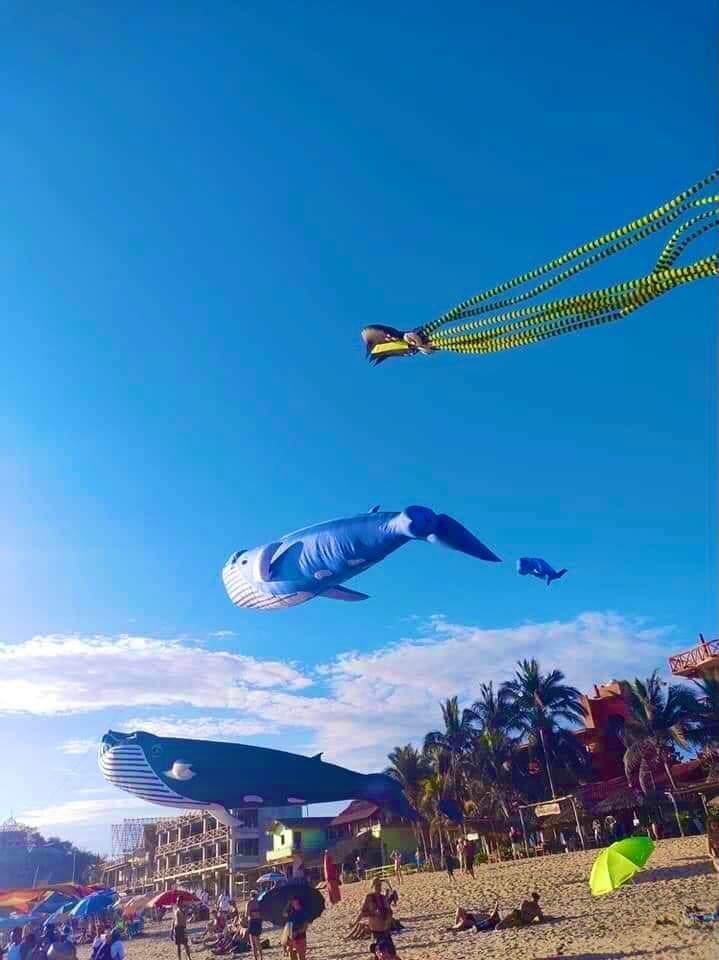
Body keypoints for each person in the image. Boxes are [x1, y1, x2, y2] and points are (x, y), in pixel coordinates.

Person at [357, 879, 400, 959]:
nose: (379, 887)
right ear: (372, 887)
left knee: (391, 952)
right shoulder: (369, 898)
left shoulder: (383, 898)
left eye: (380, 885)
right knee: (380, 952)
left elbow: (389, 911)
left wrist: (389, 917)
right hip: (375, 930)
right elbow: (363, 912)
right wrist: (373, 913)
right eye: (376, 885)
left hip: (385, 929)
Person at [283, 896, 308, 960]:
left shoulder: (303, 912)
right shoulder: (290, 911)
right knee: (292, 956)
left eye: (293, 899)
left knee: (301, 957)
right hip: (291, 937)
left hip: (300, 937)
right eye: (291, 900)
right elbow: (284, 914)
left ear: (298, 900)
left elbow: (305, 927)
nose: (292, 901)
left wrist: (296, 933)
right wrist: (288, 904)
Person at [243, 891, 262, 960]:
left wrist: (245, 921)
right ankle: (261, 957)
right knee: (258, 941)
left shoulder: (249, 903)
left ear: (251, 895)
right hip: (259, 921)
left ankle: (256, 958)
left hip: (252, 921)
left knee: (253, 943)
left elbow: (247, 914)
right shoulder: (259, 903)